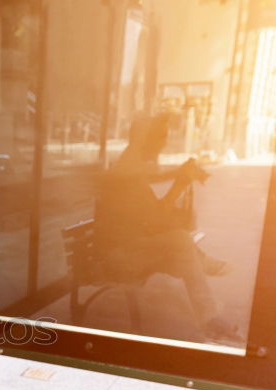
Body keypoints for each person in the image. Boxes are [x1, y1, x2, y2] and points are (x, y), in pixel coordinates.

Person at [95, 113, 240, 343]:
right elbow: (154, 221)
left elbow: (152, 214)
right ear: (146, 139)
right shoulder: (129, 171)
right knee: (182, 243)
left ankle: (209, 318)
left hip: (132, 247)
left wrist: (178, 179)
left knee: (183, 249)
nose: (164, 142)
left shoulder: (132, 165)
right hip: (118, 257)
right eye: (161, 137)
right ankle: (209, 316)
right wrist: (179, 183)